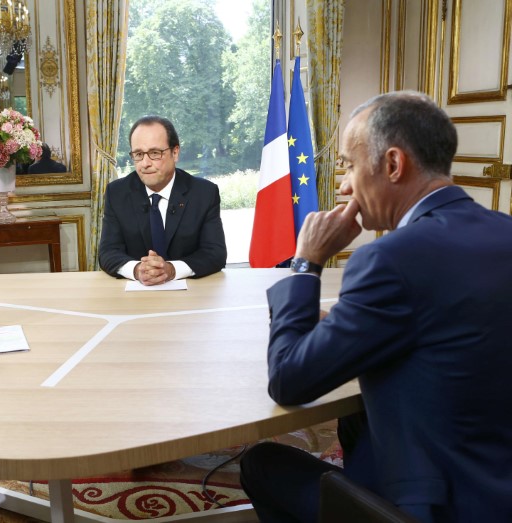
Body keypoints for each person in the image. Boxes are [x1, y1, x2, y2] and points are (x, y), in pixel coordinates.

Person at [239, 91, 512, 522]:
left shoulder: (389, 259)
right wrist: (345, 325)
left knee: (261, 463)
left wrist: (306, 262)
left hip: (440, 505)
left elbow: (289, 381)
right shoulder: (503, 229)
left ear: (392, 165)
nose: (344, 185)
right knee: (356, 421)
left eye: (348, 164)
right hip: (496, 479)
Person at [98, 116, 227, 285]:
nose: (145, 163)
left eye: (154, 153)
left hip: (193, 295)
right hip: (135, 297)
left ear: (175, 153)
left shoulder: (204, 193)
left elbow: (215, 253)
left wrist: (172, 270)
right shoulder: (117, 193)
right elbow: (108, 252)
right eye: (138, 154)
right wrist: (138, 270)